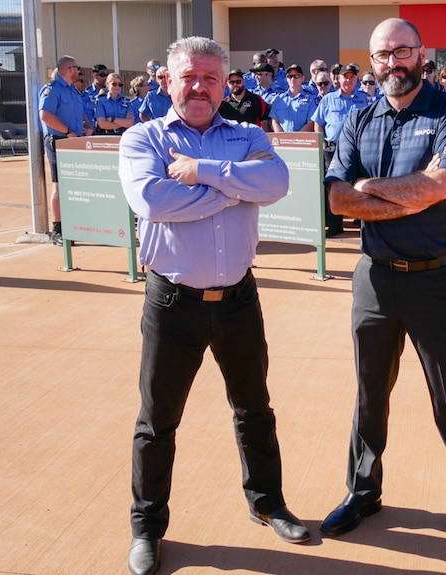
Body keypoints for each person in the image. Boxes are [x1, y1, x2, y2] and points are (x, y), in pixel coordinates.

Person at [118, 36, 309, 575]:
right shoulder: (142, 139)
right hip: (173, 302)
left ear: (226, 84)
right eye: (189, 76)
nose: (199, 86)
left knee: (254, 409)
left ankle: (267, 504)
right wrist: (235, 187)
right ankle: (147, 527)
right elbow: (153, 201)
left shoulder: (247, 133)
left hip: (238, 300)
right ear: (168, 81)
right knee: (157, 421)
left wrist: (201, 171)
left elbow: (276, 182)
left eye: (210, 78)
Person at [321, 18, 446, 569]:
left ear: (422, 54)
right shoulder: (357, 118)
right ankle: (363, 491)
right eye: (381, 54)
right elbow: (336, 199)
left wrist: (370, 188)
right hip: (375, 278)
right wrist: (396, 194)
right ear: (371, 61)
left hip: (439, 280)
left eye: (402, 51)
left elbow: (439, 186)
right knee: (369, 394)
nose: (392, 62)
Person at [38, 55, 93, 245]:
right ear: (70, 69)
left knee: (74, 185)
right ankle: (58, 229)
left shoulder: (72, 91)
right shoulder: (52, 89)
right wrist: (68, 131)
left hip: (73, 140)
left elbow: (80, 113)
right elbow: (45, 115)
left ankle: (73, 225)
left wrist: (87, 126)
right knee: (60, 186)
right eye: (77, 68)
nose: (79, 71)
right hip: (59, 140)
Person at [311, 62, 369, 237]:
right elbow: (318, 123)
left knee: (360, 184)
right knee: (333, 186)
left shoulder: (363, 98)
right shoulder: (328, 99)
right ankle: (335, 225)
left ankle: (362, 222)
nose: (348, 80)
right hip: (333, 148)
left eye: (352, 77)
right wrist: (323, 145)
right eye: (345, 77)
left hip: (357, 149)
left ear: (356, 79)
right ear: (339, 78)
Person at [270, 64, 317, 132]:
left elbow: (311, 123)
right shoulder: (279, 99)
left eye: (297, 76)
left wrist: (295, 139)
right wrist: (282, 138)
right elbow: (274, 121)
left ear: (302, 78)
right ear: (286, 79)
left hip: (302, 140)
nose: (293, 79)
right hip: (282, 140)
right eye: (290, 76)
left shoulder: (311, 99)